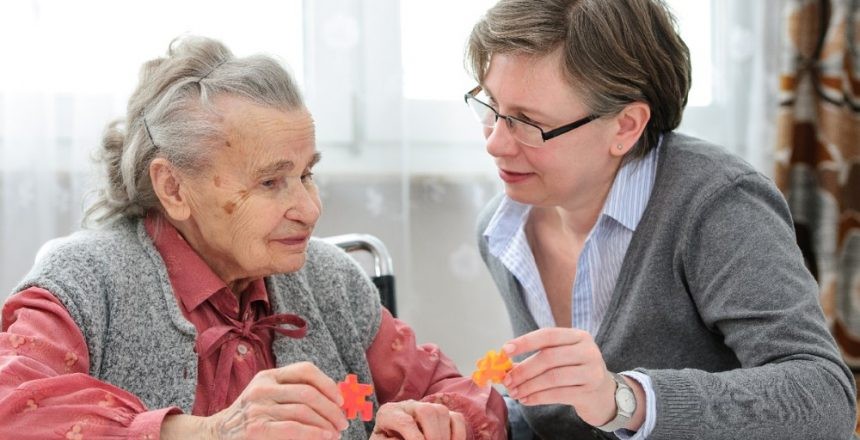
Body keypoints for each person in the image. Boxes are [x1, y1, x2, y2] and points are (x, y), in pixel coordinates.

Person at [0, 36, 506, 440]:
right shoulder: (86, 282)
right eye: (270, 182)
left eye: (307, 174)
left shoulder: (330, 281)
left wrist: (431, 425)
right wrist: (208, 432)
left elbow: (467, 397)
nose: (310, 210)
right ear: (173, 188)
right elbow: (11, 409)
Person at [464, 0, 857, 438]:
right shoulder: (501, 231)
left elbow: (824, 400)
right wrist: (477, 422)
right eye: (492, 107)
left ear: (626, 126)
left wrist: (624, 398)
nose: (495, 143)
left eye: (526, 122)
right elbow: (563, 423)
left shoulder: (717, 206)